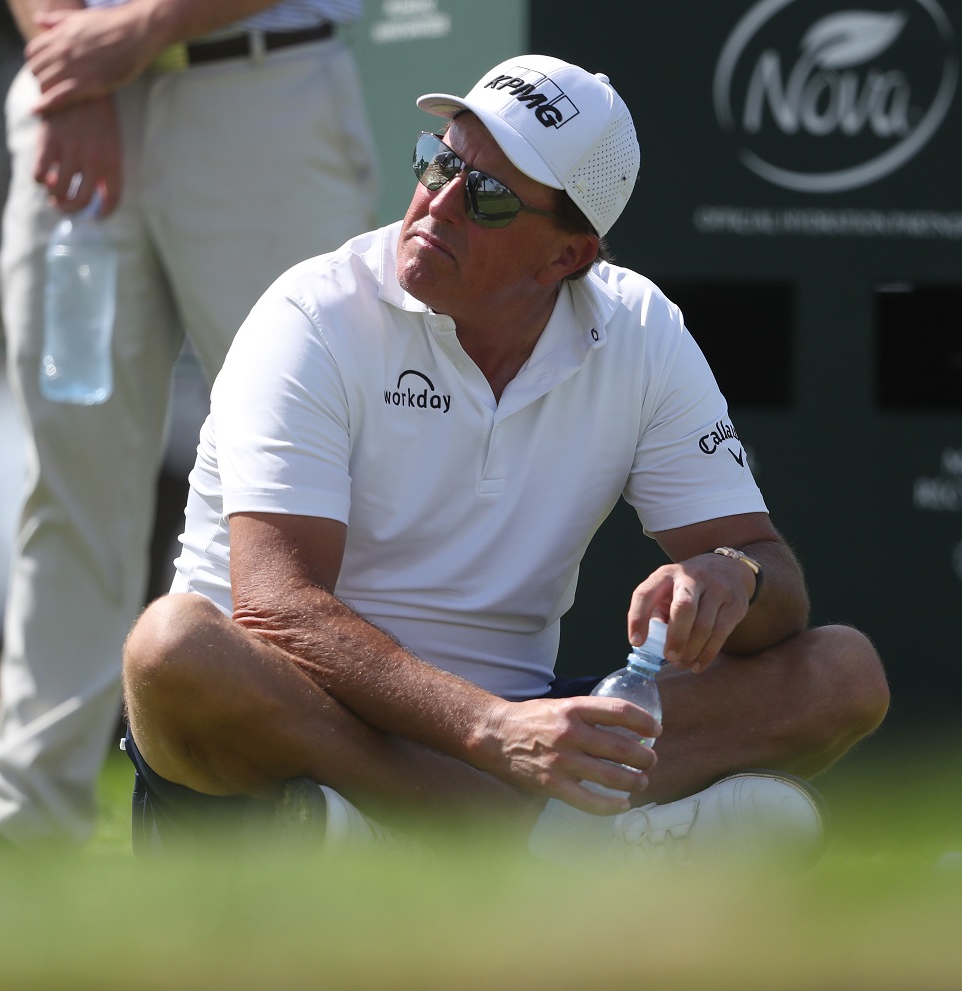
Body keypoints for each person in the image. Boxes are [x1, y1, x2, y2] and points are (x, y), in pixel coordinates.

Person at [120, 54, 890, 860]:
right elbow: (277, 609)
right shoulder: (311, 313)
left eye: (485, 196)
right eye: (440, 161)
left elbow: (775, 582)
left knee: (843, 673)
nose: (438, 204)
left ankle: (417, 837)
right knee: (173, 649)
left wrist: (733, 572)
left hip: (517, 727)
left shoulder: (642, 332)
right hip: (303, 719)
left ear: (568, 258)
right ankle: (542, 846)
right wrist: (495, 732)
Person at [0, 0, 378, 851]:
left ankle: (347, 791)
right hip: (73, 115)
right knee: (70, 471)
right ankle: (26, 805)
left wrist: (142, 29)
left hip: (262, 98)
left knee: (323, 464)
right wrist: (76, 66)